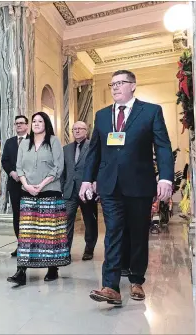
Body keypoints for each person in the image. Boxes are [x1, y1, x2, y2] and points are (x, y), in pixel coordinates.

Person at [80, 69, 174, 305]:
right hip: (110, 185)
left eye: (120, 83)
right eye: (112, 84)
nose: (115, 87)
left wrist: (165, 178)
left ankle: (136, 279)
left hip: (140, 184)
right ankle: (110, 286)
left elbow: (162, 146)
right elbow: (94, 151)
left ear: (133, 86)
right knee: (112, 232)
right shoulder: (102, 116)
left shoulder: (151, 111)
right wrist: (86, 180)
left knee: (138, 233)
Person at [7, 112, 70, 286]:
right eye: (34, 121)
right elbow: (19, 167)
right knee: (26, 233)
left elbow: (58, 167)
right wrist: (26, 185)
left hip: (49, 191)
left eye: (39, 121)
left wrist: (41, 185)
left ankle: (52, 268)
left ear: (46, 124)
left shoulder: (54, 142)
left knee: (48, 233)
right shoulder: (24, 143)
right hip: (27, 192)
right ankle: (21, 271)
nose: (36, 123)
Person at [61, 121, 98, 260]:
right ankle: (65, 252)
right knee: (67, 220)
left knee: (89, 221)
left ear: (86, 131)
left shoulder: (93, 146)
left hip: (87, 191)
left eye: (80, 128)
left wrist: (95, 183)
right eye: (74, 129)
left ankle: (89, 248)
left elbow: (97, 166)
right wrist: (62, 188)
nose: (76, 131)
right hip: (69, 191)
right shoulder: (66, 149)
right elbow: (63, 171)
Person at [1, 115, 29, 257]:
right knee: (17, 215)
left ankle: (30, 246)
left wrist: (24, 175)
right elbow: (4, 160)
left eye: (21, 123)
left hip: (30, 185)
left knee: (29, 215)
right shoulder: (9, 142)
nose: (18, 125)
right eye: (16, 123)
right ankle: (20, 245)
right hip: (14, 184)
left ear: (27, 125)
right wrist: (12, 172)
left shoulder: (33, 141)